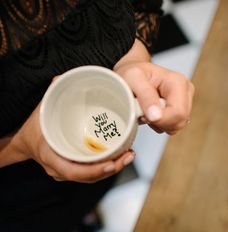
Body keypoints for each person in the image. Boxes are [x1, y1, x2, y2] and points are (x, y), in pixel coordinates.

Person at [0, 0, 194, 231]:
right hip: (15, 187)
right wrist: (19, 145)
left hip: (111, 127)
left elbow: (144, 5)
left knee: (94, 186)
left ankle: (86, 210)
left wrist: (133, 59)